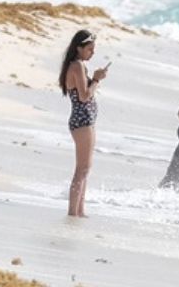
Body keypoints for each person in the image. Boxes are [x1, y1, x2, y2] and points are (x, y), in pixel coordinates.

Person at [60, 29, 110, 217]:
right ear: (79, 48)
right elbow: (84, 95)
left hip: (84, 120)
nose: (93, 52)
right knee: (82, 169)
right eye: (90, 49)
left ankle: (79, 211)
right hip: (82, 121)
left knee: (85, 169)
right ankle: (73, 212)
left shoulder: (77, 65)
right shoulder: (77, 66)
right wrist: (96, 79)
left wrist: (95, 78)